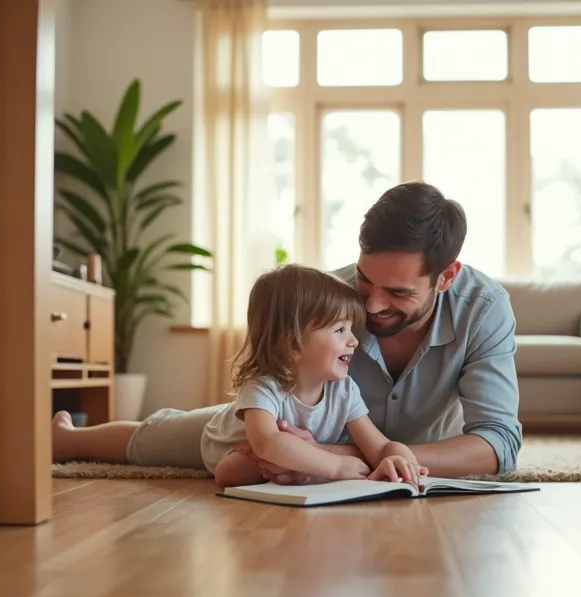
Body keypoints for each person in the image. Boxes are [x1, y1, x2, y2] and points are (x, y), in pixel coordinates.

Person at [52, 181, 523, 482]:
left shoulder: (484, 311)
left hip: (383, 441)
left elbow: (499, 443)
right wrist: (297, 447)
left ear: (447, 276)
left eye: (398, 293)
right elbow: (272, 374)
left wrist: (340, 457)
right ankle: (68, 439)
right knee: (163, 437)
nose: (371, 305)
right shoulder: (327, 298)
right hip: (288, 421)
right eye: (365, 279)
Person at [192, 263, 428, 487]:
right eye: (339, 330)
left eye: (350, 329)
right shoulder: (262, 388)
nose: (354, 341)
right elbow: (267, 443)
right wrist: (335, 467)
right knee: (226, 460)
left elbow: (380, 446)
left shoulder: (344, 390)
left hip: (257, 439)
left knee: (278, 458)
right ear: (293, 344)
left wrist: (399, 459)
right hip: (215, 438)